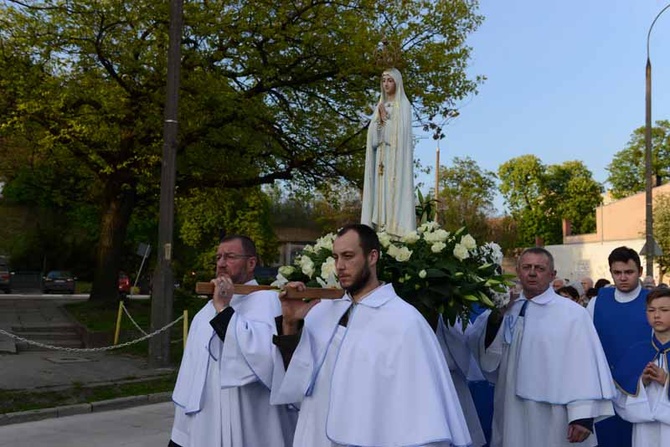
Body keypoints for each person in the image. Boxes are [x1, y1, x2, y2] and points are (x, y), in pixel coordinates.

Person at [271, 224, 471, 447]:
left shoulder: (405, 321)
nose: (340, 266)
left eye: (348, 256)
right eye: (336, 257)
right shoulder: (324, 311)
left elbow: (421, 411)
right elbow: (298, 381)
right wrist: (290, 322)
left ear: (372, 256)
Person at [466, 247, 615, 447]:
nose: (533, 273)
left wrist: (582, 415)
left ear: (552, 275)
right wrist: (497, 317)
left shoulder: (572, 314)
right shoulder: (506, 309)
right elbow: (480, 348)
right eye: (527, 267)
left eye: (540, 268)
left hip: (555, 413)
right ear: (518, 272)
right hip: (512, 409)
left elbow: (584, 365)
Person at [169, 235, 296, 447]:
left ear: (251, 263)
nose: (221, 263)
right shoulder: (204, 313)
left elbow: (263, 358)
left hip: (249, 419)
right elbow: (191, 374)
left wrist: (223, 310)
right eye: (218, 257)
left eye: (229, 256)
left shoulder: (268, 301)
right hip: (206, 421)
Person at [587, 246, 652, 447]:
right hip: (605, 390)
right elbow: (587, 344)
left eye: (629, 272)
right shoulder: (596, 303)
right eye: (617, 273)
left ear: (640, 272)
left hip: (645, 390)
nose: (623, 277)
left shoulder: (655, 303)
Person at [361, 68, 416, 238]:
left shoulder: (404, 106)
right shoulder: (380, 106)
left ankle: (395, 231)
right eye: (383, 80)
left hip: (396, 162)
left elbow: (399, 137)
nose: (386, 84)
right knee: (380, 196)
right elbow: (372, 138)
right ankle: (380, 230)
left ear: (397, 83)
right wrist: (380, 122)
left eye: (390, 80)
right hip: (381, 161)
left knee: (394, 194)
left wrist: (385, 120)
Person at [612, 287, 670, 446]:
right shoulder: (637, 351)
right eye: (651, 310)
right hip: (645, 431)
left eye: (664, 310)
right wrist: (640, 383)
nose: (657, 315)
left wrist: (666, 380)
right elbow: (619, 396)